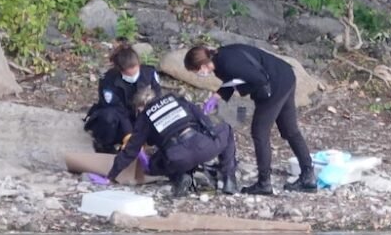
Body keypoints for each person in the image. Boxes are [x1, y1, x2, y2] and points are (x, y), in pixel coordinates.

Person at [183, 44, 316, 195]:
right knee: (290, 130)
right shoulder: (221, 57)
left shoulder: (226, 64)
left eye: (195, 71)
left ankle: (264, 183)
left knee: (260, 133)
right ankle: (308, 176)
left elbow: (257, 79)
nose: (197, 75)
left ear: (202, 66)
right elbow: (236, 79)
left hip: (274, 85)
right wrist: (216, 96)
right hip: (285, 75)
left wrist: (244, 92)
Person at [106, 86, 238, 197]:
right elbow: (206, 123)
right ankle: (229, 179)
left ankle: (180, 176)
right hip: (203, 147)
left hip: (177, 159)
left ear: (140, 107)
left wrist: (111, 175)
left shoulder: (144, 116)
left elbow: (130, 150)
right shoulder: (177, 100)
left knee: (153, 163)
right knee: (226, 129)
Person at [84, 44, 162, 153]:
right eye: (129, 74)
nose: (133, 76)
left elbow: (157, 98)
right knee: (108, 116)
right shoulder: (108, 80)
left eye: (135, 71)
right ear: (120, 70)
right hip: (120, 121)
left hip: (143, 117)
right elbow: (116, 109)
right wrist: (128, 134)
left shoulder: (149, 73)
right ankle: (105, 146)